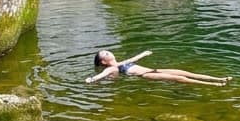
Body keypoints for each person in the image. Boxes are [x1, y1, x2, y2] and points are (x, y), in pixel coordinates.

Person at [86, 49, 231, 86]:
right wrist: (92, 79)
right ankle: (214, 85)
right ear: (104, 62)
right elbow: (101, 75)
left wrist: (144, 53)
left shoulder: (121, 63)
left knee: (184, 72)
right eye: (105, 53)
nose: (109, 52)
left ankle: (218, 78)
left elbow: (133, 59)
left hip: (154, 69)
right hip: (146, 75)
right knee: (178, 78)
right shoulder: (111, 69)